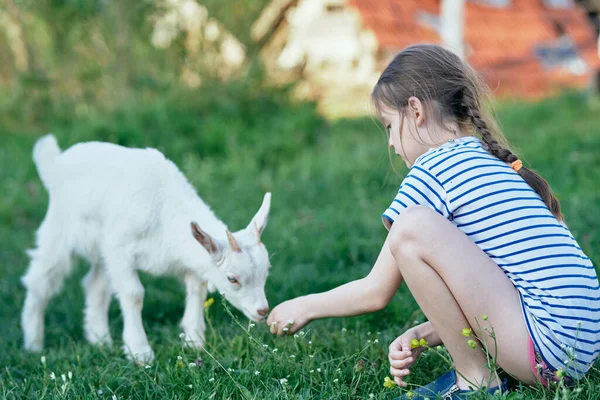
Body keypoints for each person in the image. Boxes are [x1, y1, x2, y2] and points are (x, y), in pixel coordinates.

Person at [266, 44, 600, 399]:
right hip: (578, 349)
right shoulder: (492, 163)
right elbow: (496, 285)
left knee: (410, 230)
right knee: (416, 229)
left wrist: (304, 305)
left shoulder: (433, 169)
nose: (392, 144)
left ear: (415, 110)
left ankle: (475, 381)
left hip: (545, 353)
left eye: (390, 127)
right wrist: (423, 335)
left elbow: (375, 292)